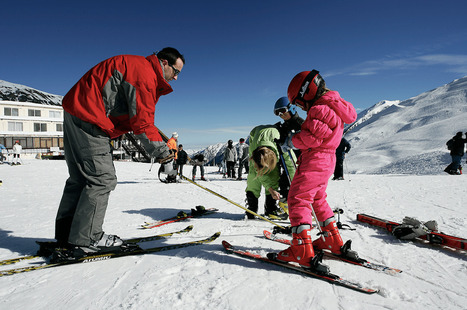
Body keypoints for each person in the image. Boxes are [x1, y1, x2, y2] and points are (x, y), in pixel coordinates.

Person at [54, 47, 185, 258]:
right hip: (91, 118)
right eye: (176, 71)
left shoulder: (136, 66)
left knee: (80, 178)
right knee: (101, 179)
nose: (176, 78)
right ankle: (87, 239)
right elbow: (142, 124)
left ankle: (68, 234)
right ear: (165, 63)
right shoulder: (144, 74)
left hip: (78, 112)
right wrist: (165, 155)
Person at [273, 70, 357, 269]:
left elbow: (313, 137)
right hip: (327, 159)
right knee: (317, 198)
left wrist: (291, 141)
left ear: (307, 92)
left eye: (300, 102)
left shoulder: (320, 109)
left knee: (298, 198)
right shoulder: (333, 105)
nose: (301, 107)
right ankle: (332, 240)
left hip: (315, 159)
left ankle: (301, 250)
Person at [245, 125, 296, 220]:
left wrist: (295, 184)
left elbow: (291, 165)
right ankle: (252, 208)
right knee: (253, 178)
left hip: (273, 141)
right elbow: (259, 173)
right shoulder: (254, 152)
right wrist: (270, 189)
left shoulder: (282, 145)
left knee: (273, 176)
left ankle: (270, 209)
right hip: (256, 136)